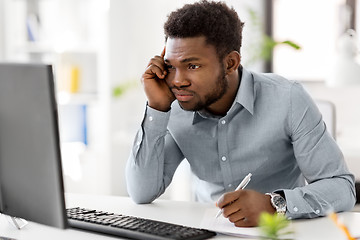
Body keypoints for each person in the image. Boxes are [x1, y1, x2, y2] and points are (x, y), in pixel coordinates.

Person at [126, 0, 356, 227]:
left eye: (192, 66)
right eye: (171, 67)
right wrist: (156, 107)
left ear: (230, 63)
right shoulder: (173, 106)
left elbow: (341, 187)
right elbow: (141, 192)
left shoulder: (287, 98)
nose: (177, 81)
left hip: (280, 231)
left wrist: (274, 205)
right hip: (206, 231)